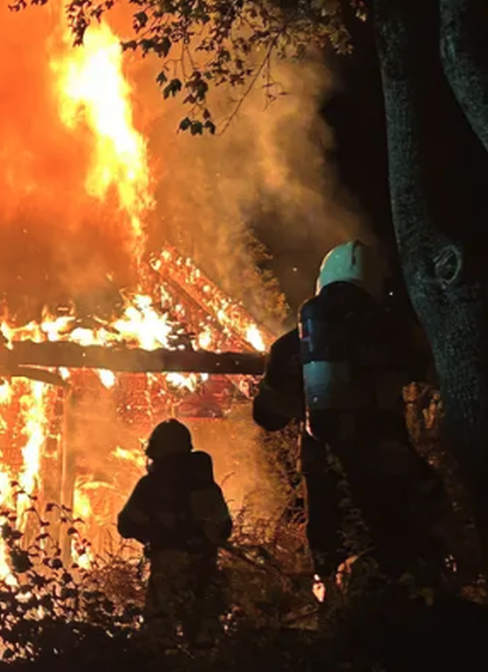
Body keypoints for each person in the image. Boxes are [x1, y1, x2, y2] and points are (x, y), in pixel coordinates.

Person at [296, 240, 447, 594]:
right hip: (384, 457)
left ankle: (336, 608)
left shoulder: (297, 343)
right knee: (400, 546)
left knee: (331, 554)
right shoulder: (394, 333)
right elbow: (435, 374)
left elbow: (266, 413)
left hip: (323, 466)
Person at [252, 325, 352, 603]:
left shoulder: (287, 352)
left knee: (326, 519)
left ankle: (332, 589)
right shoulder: (339, 333)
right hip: (361, 433)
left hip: (330, 443)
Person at [117, 418, 234, 644]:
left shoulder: (151, 485)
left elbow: (126, 524)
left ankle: (161, 664)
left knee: (159, 630)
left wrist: (154, 534)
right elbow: (224, 528)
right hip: (205, 569)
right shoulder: (206, 486)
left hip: (167, 571)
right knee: (204, 633)